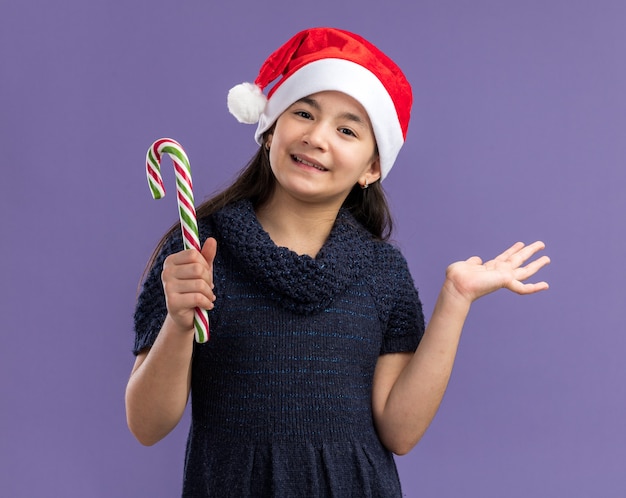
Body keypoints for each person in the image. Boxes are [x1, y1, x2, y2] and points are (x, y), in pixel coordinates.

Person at [125, 27, 550, 497]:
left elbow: (400, 432)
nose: (316, 137)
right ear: (269, 130)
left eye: (347, 129)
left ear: (372, 167)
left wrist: (456, 299)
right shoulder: (195, 251)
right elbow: (147, 425)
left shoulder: (382, 273)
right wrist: (180, 323)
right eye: (303, 112)